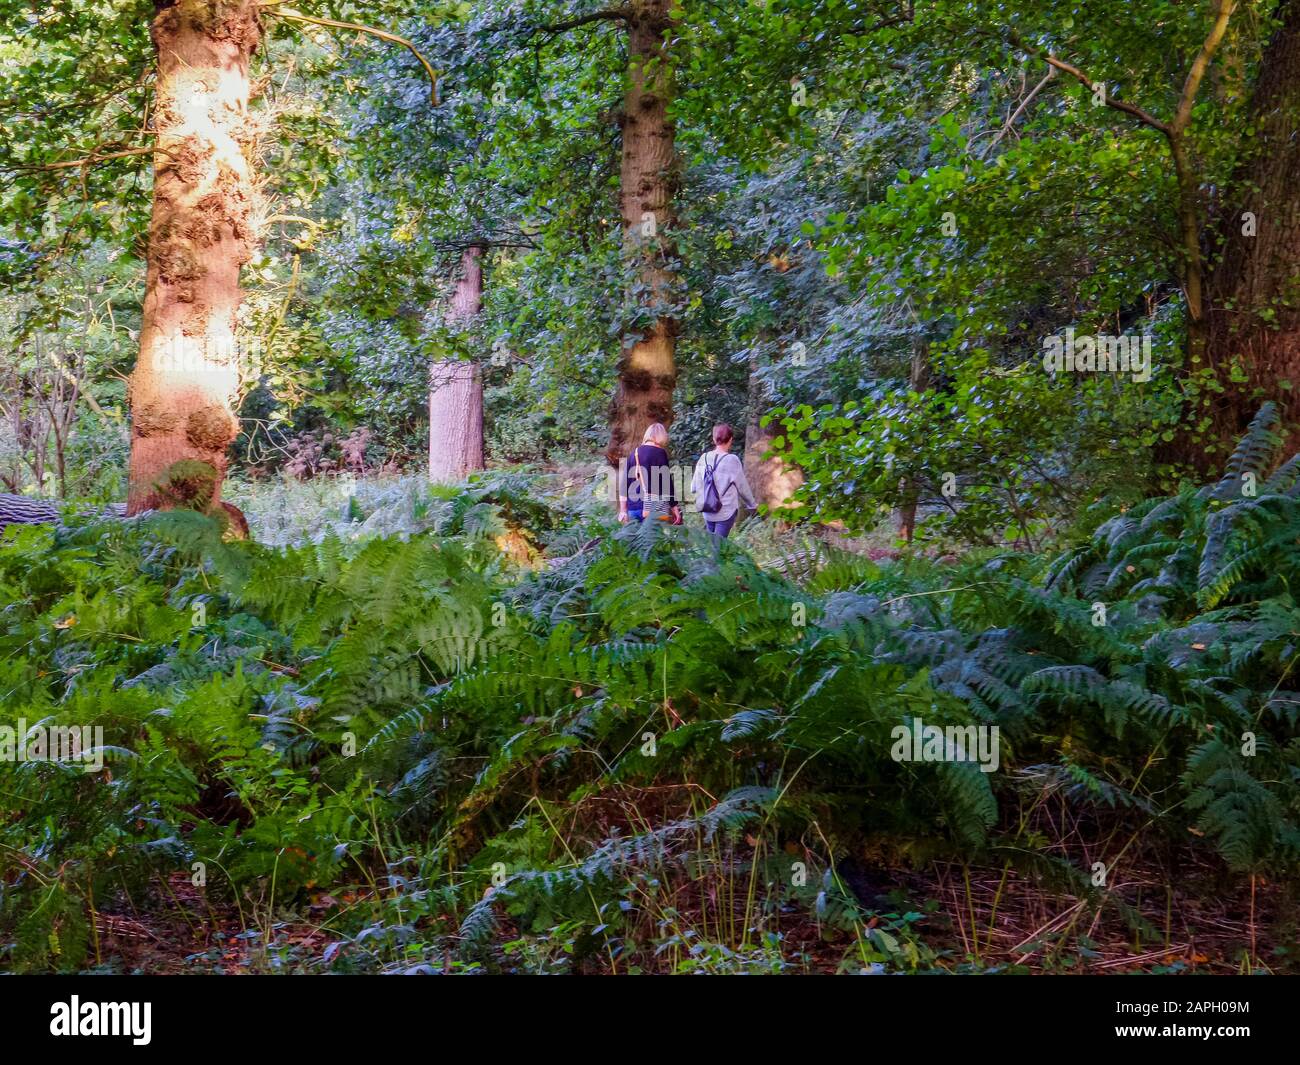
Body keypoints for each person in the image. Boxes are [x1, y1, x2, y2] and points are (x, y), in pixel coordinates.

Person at [691, 423, 756, 539]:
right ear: (730, 440)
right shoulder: (732, 460)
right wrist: (752, 504)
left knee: (712, 544)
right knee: (719, 545)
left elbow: (694, 487)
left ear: (714, 439)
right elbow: (742, 487)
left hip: (707, 510)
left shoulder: (704, 458)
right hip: (725, 511)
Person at [618, 422, 682, 525]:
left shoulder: (634, 453)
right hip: (655, 509)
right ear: (661, 436)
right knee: (655, 540)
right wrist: (674, 507)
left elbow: (624, 485)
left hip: (633, 509)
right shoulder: (660, 454)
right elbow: (666, 484)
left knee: (636, 541)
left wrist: (623, 510)